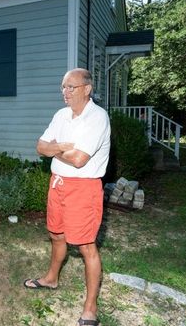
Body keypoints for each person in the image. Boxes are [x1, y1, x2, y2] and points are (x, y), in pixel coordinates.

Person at [24, 68, 110, 326]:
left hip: (83, 188)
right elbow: (40, 147)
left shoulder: (97, 117)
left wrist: (54, 149)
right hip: (57, 184)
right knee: (56, 234)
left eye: (71, 87)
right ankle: (51, 278)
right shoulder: (61, 115)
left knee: (85, 246)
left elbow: (80, 160)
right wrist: (62, 147)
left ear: (87, 88)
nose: (65, 92)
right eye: (63, 87)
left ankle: (91, 307)